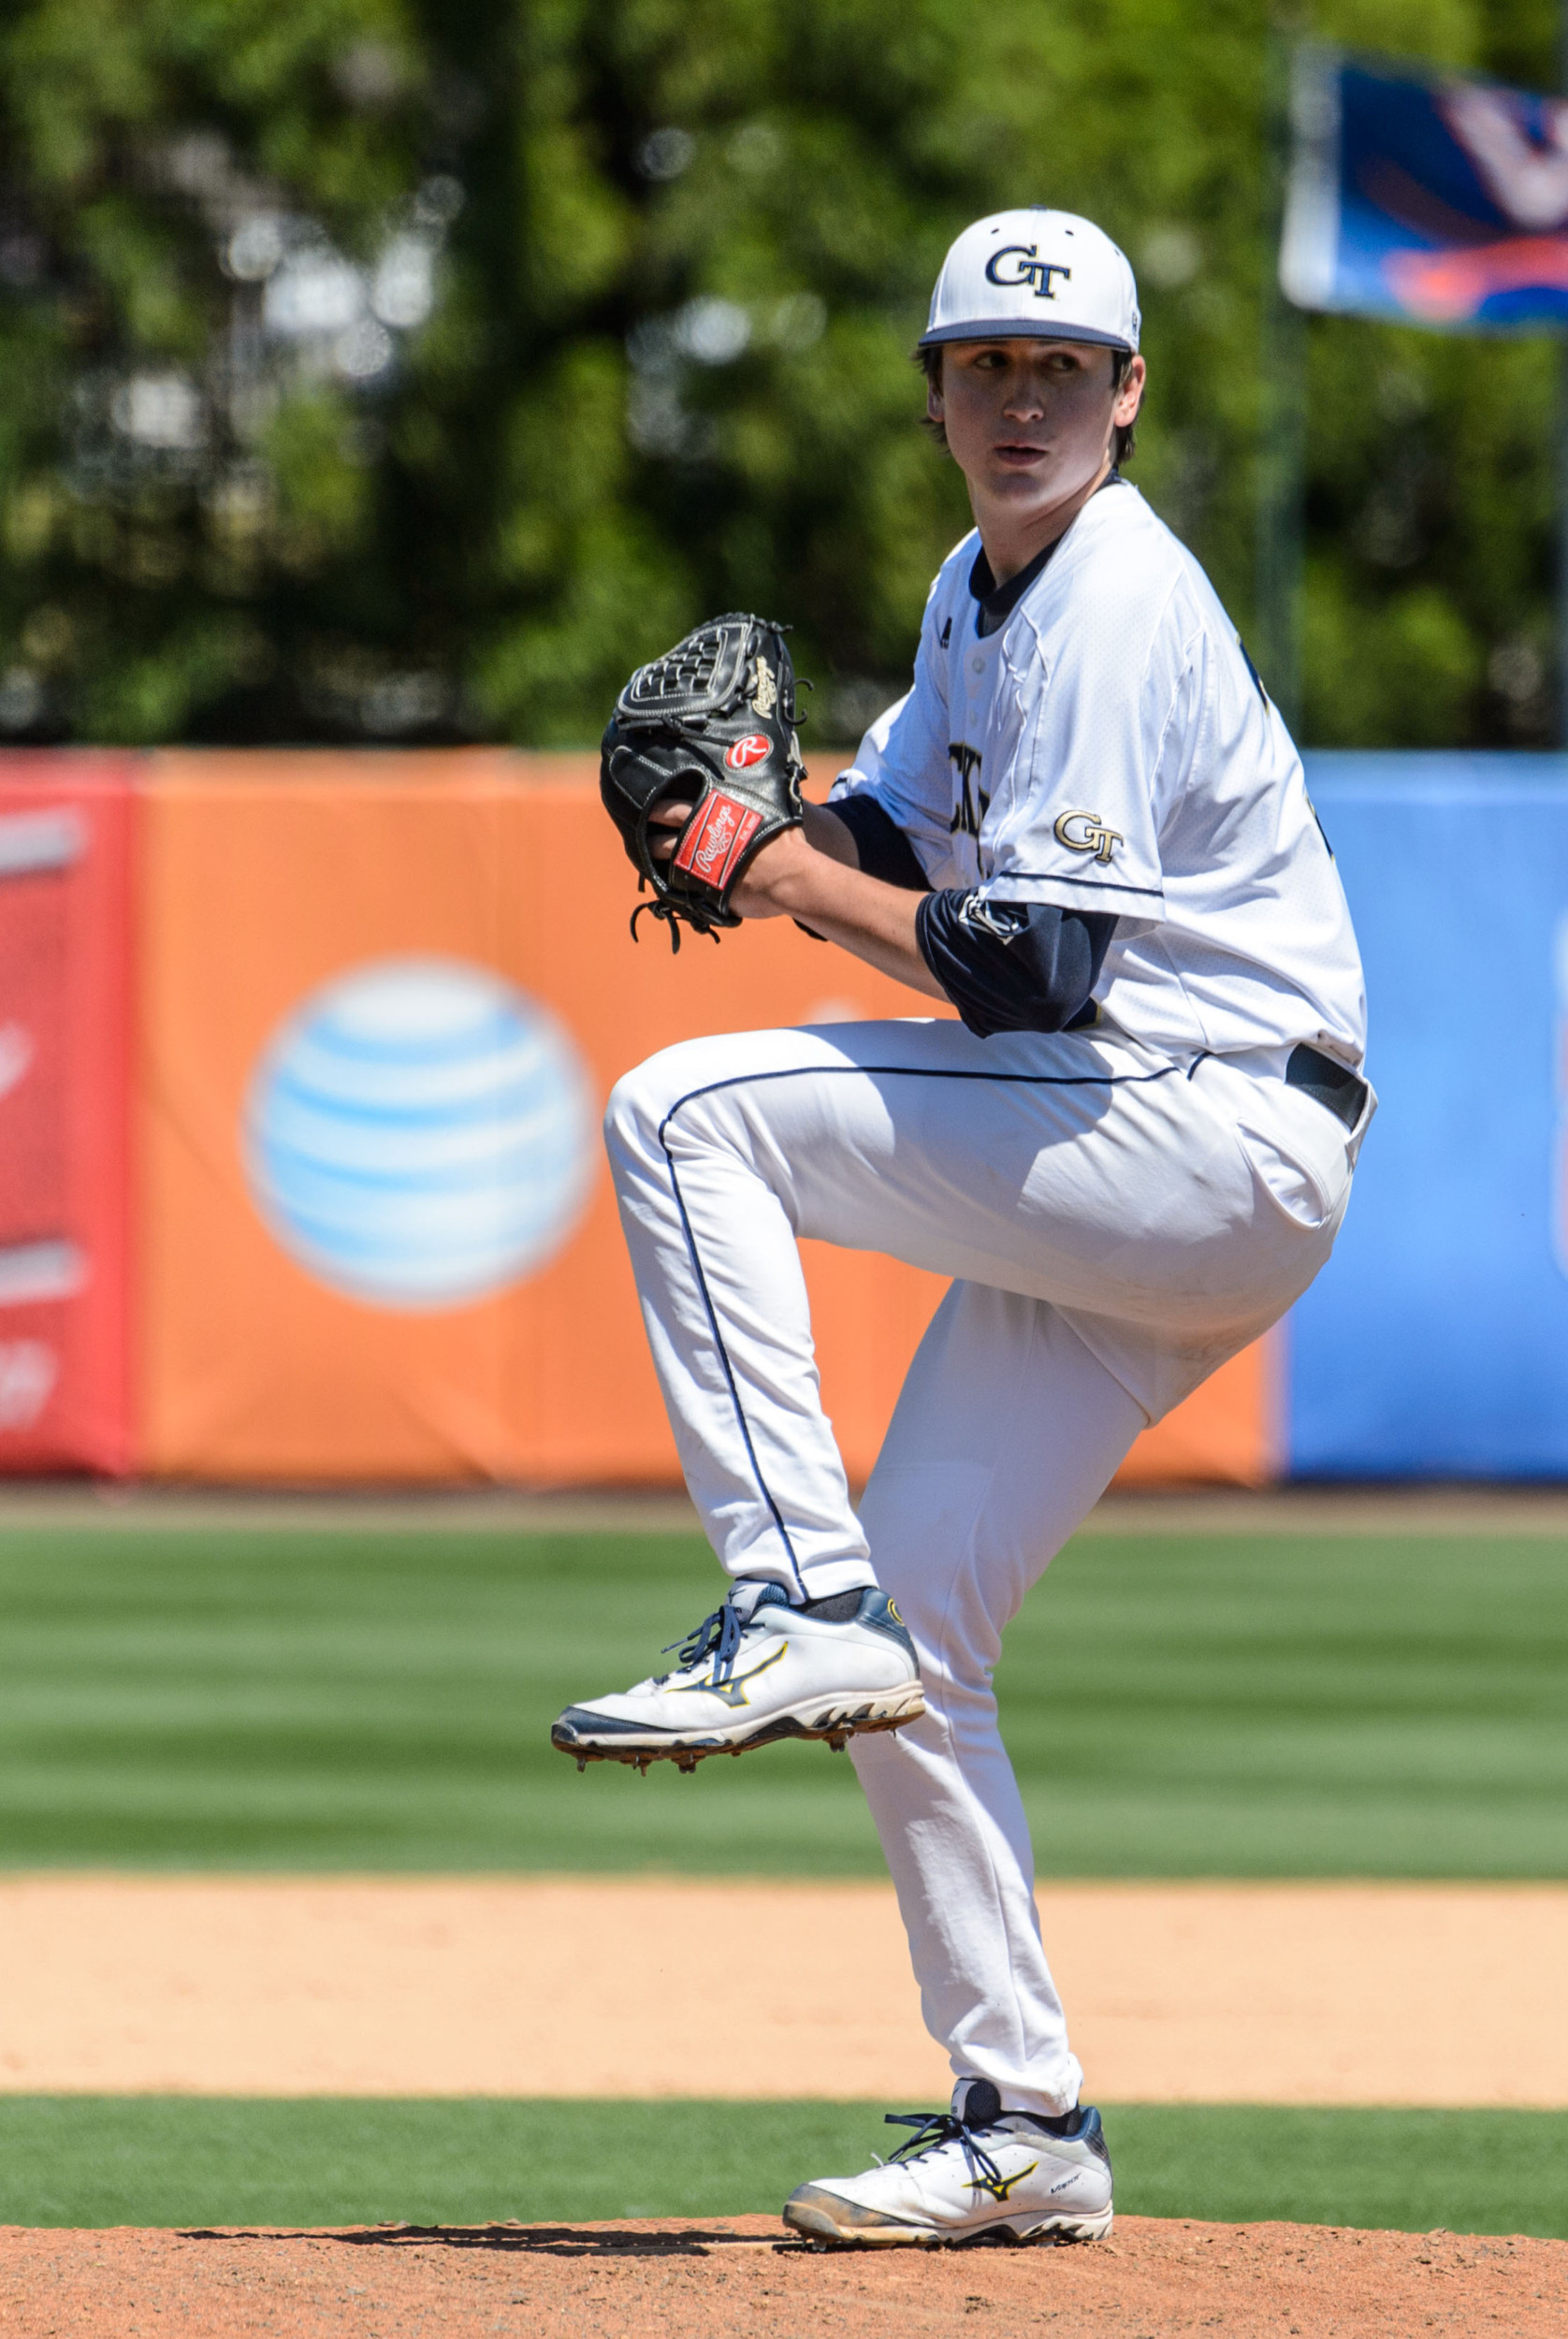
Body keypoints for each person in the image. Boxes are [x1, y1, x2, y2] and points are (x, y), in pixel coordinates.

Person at [554, 206, 1372, 2247]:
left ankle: (778, 1596)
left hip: (1199, 1119)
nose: (1023, 401)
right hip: (1153, 1168)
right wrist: (761, 842)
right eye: (986, 368)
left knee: (680, 1108)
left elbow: (1028, 968)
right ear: (935, 392)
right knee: (921, 1643)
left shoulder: (1114, 596)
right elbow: (896, 842)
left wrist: (774, 867)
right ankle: (1024, 2115)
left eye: (1061, 367)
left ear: (1127, 391)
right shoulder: (974, 591)